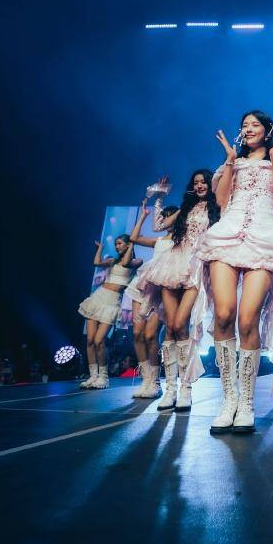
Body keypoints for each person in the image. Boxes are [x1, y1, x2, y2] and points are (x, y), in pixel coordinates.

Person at [199, 112, 273, 434]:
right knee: (223, 314)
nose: (248, 129)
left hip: (262, 238)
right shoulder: (233, 162)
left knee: (247, 320)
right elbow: (220, 199)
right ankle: (228, 399)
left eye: (255, 124)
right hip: (227, 236)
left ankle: (246, 402)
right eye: (244, 125)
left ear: (267, 130)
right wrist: (230, 161)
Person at [131, 171, 219, 411]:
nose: (200, 186)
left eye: (203, 182)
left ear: (210, 184)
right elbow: (158, 225)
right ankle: (170, 389)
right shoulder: (185, 208)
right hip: (173, 264)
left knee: (181, 324)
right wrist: (159, 197)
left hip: (196, 267)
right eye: (196, 183)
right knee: (170, 328)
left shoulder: (217, 209)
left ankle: (186, 389)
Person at [126, 200, 178, 399]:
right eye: (164, 217)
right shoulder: (159, 240)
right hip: (142, 285)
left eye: (170, 216)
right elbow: (134, 238)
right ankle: (146, 380)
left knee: (150, 336)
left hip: (160, 290)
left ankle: (155, 383)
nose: (166, 220)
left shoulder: (180, 241)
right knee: (137, 333)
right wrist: (144, 215)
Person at [78, 234, 141, 389]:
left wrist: (132, 244)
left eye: (120, 243)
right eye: (116, 244)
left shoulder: (136, 261)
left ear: (128, 245)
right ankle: (93, 376)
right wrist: (100, 248)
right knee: (90, 340)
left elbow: (126, 262)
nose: (117, 246)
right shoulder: (113, 261)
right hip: (98, 297)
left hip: (112, 301)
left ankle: (103, 377)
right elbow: (96, 262)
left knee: (99, 341)